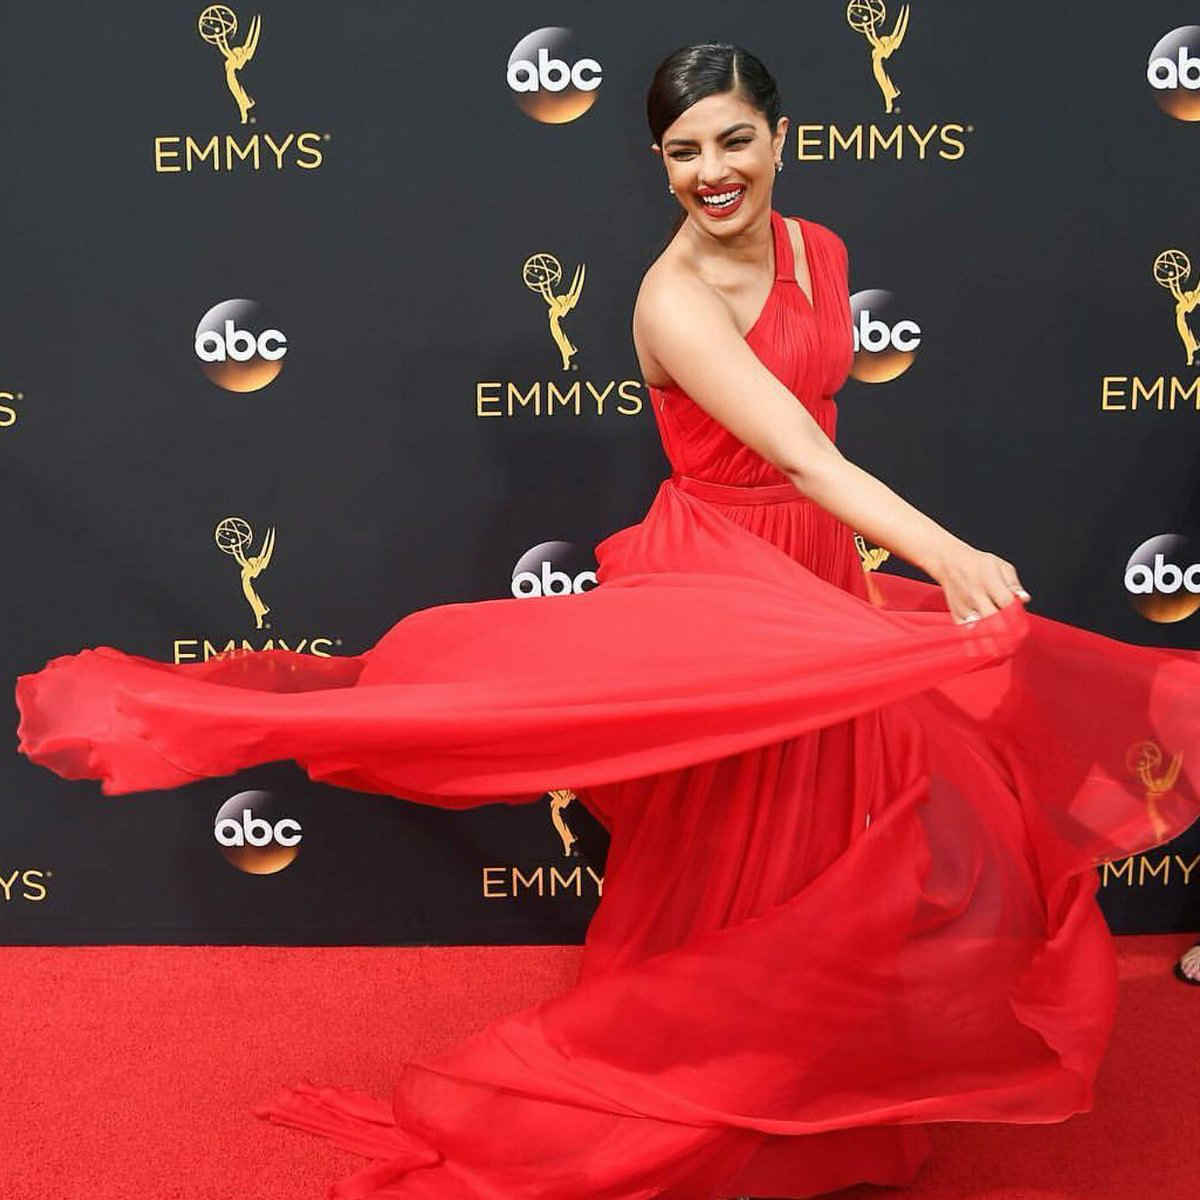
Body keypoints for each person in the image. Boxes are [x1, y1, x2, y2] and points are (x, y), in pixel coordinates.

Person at [14, 42, 1200, 1200]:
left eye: (735, 138)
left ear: (781, 136)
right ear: (660, 162)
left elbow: (826, 445)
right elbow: (793, 449)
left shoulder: (819, 250)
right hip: (726, 574)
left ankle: (826, 1095)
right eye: (682, 151)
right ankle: (708, 1097)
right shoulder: (670, 300)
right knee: (747, 844)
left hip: (820, 568)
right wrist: (945, 555)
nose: (712, 169)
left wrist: (880, 565)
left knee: (845, 833)